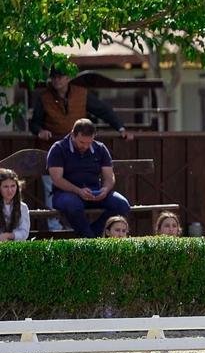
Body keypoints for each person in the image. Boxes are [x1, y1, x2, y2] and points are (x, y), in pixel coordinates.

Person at [30, 66, 133, 230]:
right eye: (54, 77)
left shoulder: (81, 93)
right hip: (53, 149)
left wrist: (120, 128)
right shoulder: (45, 97)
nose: (56, 80)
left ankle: (89, 235)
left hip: (91, 187)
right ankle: (57, 229)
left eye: (60, 76)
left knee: (121, 204)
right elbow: (34, 122)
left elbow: (103, 110)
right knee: (58, 194)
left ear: (68, 78)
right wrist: (40, 131)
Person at [46, 118, 132, 238]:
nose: (86, 146)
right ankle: (90, 239)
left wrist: (105, 189)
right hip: (66, 193)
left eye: (89, 142)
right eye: (82, 142)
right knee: (73, 206)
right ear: (73, 135)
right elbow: (57, 179)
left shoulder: (100, 148)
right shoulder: (58, 148)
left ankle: (91, 236)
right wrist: (78, 191)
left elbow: (109, 176)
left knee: (122, 205)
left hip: (94, 192)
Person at [0, 168, 30, 242]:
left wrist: (9, 235)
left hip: (16, 245)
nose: (10, 190)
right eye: (5, 186)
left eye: (13, 186)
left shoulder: (23, 207)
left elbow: (24, 232)